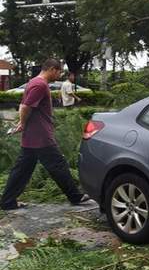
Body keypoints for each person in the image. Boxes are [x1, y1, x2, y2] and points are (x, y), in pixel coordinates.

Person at [0, 59, 89, 211]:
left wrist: (23, 124)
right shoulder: (40, 85)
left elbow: (23, 105)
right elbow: (26, 107)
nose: (60, 75)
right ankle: (75, 196)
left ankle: (7, 202)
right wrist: (22, 123)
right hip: (41, 136)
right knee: (58, 165)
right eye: (59, 71)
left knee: (22, 170)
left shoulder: (33, 82)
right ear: (53, 69)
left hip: (33, 136)